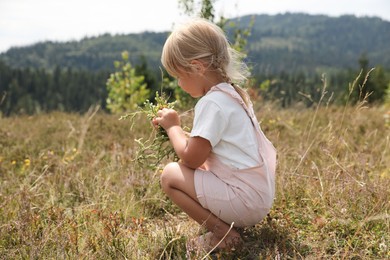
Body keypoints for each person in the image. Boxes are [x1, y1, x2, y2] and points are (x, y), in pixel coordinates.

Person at [153, 18, 277, 253]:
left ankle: (224, 235)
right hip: (258, 196)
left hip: (244, 201)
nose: (179, 84)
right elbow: (212, 147)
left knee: (170, 175)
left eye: (179, 76)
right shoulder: (233, 94)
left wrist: (173, 128)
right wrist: (181, 134)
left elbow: (191, 159)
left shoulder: (211, 103)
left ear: (197, 67)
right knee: (188, 172)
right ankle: (225, 226)